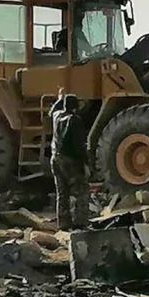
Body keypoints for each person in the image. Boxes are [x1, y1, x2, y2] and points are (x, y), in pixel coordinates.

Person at [49, 91, 90, 229]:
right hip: (70, 160)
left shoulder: (56, 116)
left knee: (62, 192)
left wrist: (60, 98)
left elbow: (52, 110)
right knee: (81, 191)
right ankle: (80, 223)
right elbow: (79, 145)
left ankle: (63, 223)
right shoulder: (75, 120)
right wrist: (85, 163)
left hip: (55, 158)